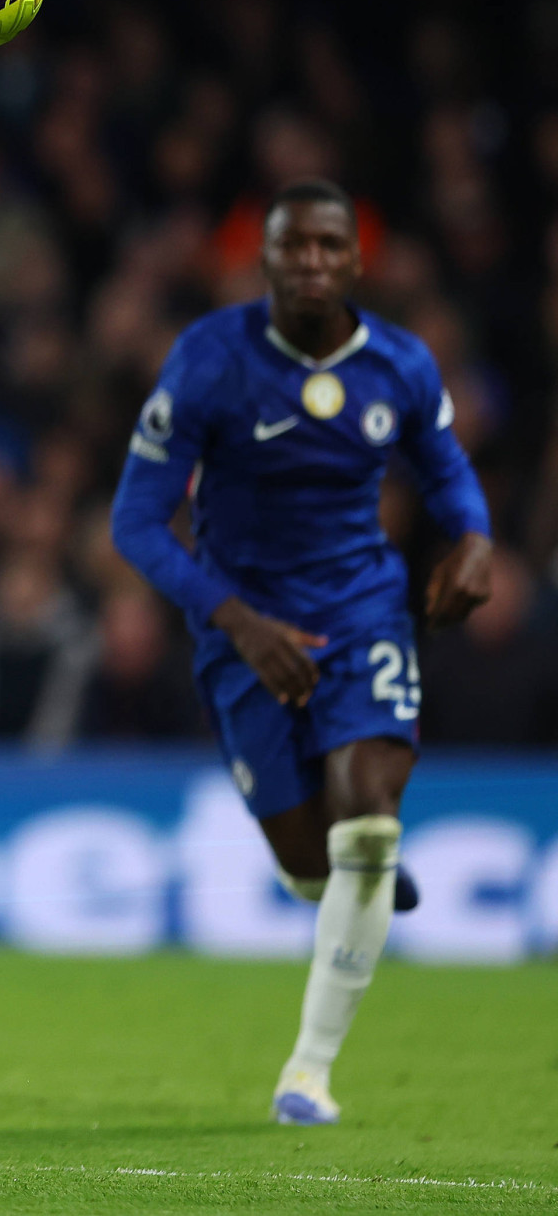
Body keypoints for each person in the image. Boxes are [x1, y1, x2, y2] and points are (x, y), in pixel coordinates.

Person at [110, 178, 491, 1126]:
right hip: (241, 628)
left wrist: (475, 540)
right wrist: (236, 620)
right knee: (309, 863)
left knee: (367, 825)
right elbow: (136, 521)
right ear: (266, 257)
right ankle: (350, 880)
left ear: (357, 259)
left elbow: (448, 472)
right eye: (294, 246)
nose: (312, 262)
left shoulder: (399, 363)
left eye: (329, 245)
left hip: (364, 612)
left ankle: (308, 1075)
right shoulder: (211, 358)